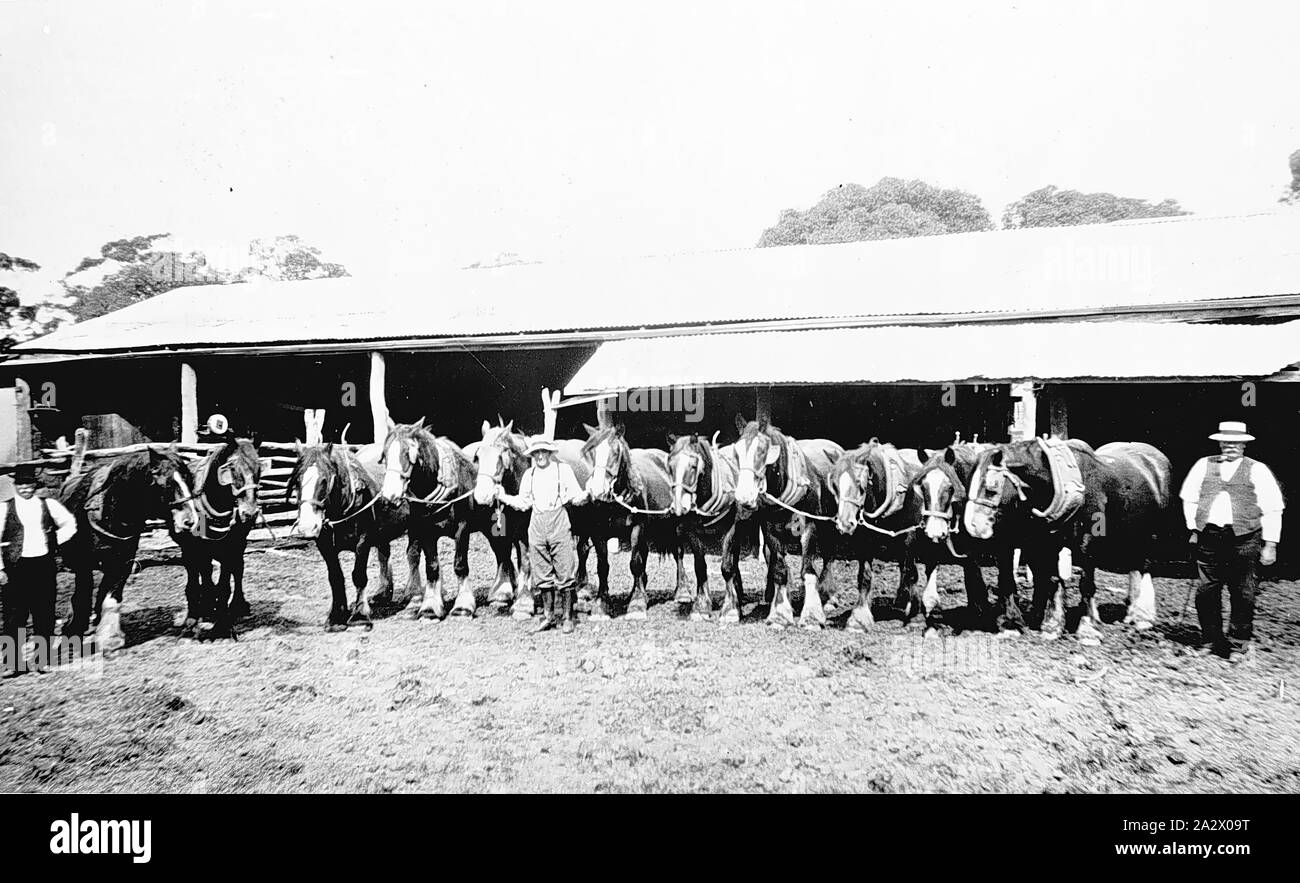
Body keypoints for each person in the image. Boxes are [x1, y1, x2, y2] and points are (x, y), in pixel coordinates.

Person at [1179, 421, 1285, 662]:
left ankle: (1239, 644)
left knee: (1243, 592)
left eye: (1236, 442)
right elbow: (1189, 499)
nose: (1230, 446)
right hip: (1210, 537)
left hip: (1245, 538)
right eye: (1226, 442)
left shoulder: (1257, 470)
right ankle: (1210, 640)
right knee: (1206, 591)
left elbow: (1273, 508)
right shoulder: (1203, 465)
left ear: (1244, 445)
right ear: (1219, 442)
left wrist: (1270, 544)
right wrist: (1194, 528)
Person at [496, 436, 588, 634]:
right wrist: (503, 496)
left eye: (543, 452)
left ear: (550, 453)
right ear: (533, 455)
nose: (540, 456)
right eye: (536, 452)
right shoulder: (529, 475)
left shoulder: (562, 470)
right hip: (536, 524)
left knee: (564, 570)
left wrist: (587, 494)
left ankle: (567, 616)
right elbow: (523, 502)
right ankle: (547, 616)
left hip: (559, 521)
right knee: (542, 573)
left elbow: (575, 496)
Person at [1, 464, 78, 677]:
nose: (25, 488)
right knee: (14, 615)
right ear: (15, 486)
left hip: (43, 565)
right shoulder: (4, 508)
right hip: (15, 567)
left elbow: (70, 524)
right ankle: (13, 663)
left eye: (29, 484)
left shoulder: (49, 505)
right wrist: (0, 569)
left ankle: (42, 660)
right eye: (21, 485)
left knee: (44, 612)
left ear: (35, 485)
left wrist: (54, 543)